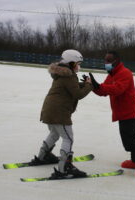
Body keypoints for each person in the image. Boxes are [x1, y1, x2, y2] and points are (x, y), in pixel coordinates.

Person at [30, 49, 93, 179]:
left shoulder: (62, 74)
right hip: (59, 112)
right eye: (78, 63)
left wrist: (84, 83)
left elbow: (72, 86)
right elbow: (78, 94)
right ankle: (64, 168)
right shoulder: (69, 76)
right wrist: (89, 86)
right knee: (68, 138)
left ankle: (43, 156)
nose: (79, 66)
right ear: (71, 63)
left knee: (54, 133)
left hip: (49, 110)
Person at [89, 51, 135, 179]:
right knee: (128, 137)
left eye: (108, 60)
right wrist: (93, 86)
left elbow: (118, 89)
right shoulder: (112, 74)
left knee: (131, 138)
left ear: (117, 60)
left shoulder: (125, 73)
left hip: (129, 111)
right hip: (121, 111)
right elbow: (104, 90)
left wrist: (99, 86)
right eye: (105, 60)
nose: (106, 63)